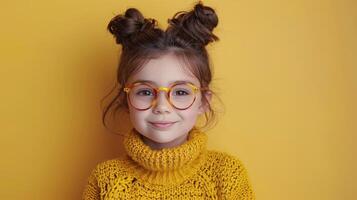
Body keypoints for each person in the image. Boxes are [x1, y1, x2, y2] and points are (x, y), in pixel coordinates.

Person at [82, 2, 255, 199]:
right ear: (126, 99)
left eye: (180, 92)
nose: (162, 107)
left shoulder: (226, 175)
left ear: (203, 101)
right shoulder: (105, 180)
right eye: (145, 92)